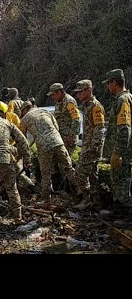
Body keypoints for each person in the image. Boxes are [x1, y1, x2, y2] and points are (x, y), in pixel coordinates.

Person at [20, 101, 76, 204]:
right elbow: (56, 127)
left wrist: (22, 154)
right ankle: (82, 194)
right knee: (69, 168)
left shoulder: (25, 119)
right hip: (58, 142)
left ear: (24, 110)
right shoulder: (46, 112)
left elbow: (22, 140)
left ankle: (46, 200)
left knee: (45, 174)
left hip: (44, 147)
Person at [72, 80, 106, 210]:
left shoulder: (96, 106)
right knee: (92, 174)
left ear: (88, 90)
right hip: (87, 145)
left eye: (81, 92)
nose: (78, 95)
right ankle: (96, 203)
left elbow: (100, 128)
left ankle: (87, 199)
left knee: (80, 172)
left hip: (92, 147)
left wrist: (93, 146)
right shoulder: (87, 106)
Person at [102, 69, 132, 216]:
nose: (108, 86)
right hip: (120, 151)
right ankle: (119, 211)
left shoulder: (123, 100)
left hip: (123, 153)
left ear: (114, 83)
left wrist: (118, 152)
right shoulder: (123, 99)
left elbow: (125, 129)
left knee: (123, 184)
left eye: (108, 83)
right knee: (117, 181)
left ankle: (127, 216)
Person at [47, 82, 81, 156]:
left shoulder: (69, 102)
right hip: (61, 138)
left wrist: (71, 135)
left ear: (59, 92)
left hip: (68, 139)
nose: (52, 97)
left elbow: (76, 119)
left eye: (53, 94)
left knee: (66, 162)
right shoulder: (58, 102)